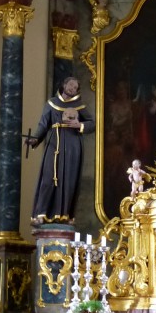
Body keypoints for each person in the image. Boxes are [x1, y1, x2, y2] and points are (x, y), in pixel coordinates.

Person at [27, 76, 95, 223]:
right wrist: (35, 139)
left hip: (72, 146)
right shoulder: (51, 103)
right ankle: (42, 214)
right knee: (48, 177)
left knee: (68, 179)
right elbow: (43, 125)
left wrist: (80, 125)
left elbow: (92, 124)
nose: (72, 88)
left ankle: (64, 215)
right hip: (54, 142)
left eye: (75, 87)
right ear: (63, 85)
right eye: (70, 85)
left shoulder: (79, 105)